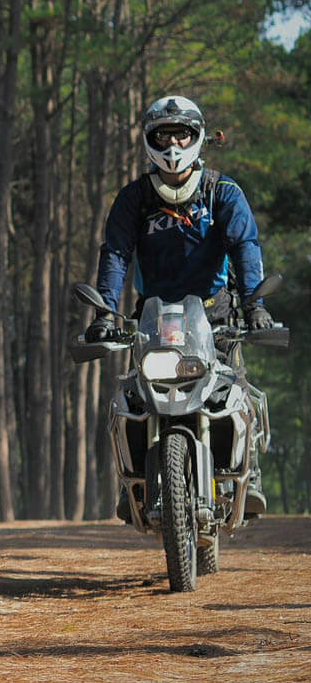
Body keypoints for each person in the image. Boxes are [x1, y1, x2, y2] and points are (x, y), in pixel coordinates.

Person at [84, 94, 277, 519]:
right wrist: (104, 313)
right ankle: (131, 478)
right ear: (150, 140)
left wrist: (255, 304)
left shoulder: (222, 191)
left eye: (182, 133)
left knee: (235, 388)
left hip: (215, 314)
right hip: (155, 316)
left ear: (199, 138)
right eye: (164, 134)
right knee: (132, 397)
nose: (173, 144)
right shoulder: (134, 197)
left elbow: (246, 246)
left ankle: (252, 471)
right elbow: (115, 253)